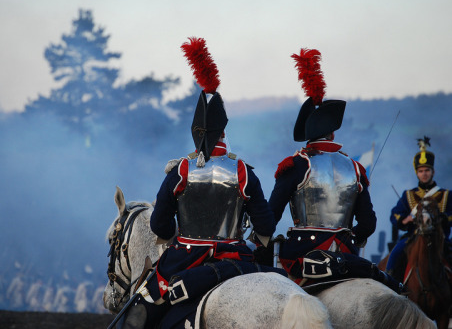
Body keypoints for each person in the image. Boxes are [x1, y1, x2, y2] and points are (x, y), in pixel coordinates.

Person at [120, 37, 284, 329]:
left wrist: (175, 234)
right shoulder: (243, 171)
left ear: (196, 131)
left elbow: (159, 226)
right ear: (223, 131)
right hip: (237, 259)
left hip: (185, 261)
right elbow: (267, 227)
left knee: (138, 317)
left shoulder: (180, 171)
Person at [267, 48, 402, 293]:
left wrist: (261, 240)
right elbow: (368, 223)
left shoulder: (296, 164)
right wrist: (351, 238)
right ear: (333, 133)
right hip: (346, 257)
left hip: (300, 257)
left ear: (308, 134)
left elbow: (270, 215)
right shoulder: (355, 168)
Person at [386, 136, 452, 281]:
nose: (424, 173)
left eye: (427, 170)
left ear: (433, 172)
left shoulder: (446, 194)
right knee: (395, 254)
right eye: (421, 171)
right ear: (417, 173)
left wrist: (444, 217)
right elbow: (395, 214)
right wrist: (405, 219)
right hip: (413, 238)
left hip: (441, 239)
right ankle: (391, 284)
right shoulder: (408, 195)